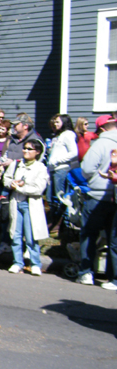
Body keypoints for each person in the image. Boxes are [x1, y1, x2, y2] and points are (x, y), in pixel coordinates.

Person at [77, 114, 117, 289]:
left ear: (101, 128)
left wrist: (94, 178)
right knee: (114, 238)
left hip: (98, 194)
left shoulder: (100, 144)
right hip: (115, 198)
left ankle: (86, 272)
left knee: (89, 234)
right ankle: (113, 277)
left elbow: (86, 168)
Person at [3, 139, 49, 276]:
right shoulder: (17, 164)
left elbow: (39, 189)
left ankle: (35, 264)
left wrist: (21, 188)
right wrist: (12, 183)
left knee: (31, 236)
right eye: (25, 148)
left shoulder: (40, 167)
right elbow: (6, 179)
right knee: (15, 234)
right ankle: (17, 262)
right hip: (16, 203)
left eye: (30, 149)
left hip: (31, 204)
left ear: (38, 152)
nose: (26, 151)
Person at [46, 114, 79, 229]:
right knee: (51, 198)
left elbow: (74, 152)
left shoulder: (68, 135)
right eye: (54, 122)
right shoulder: (59, 136)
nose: (55, 124)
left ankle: (63, 225)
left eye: (58, 122)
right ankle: (54, 222)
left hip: (61, 169)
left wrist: (57, 161)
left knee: (61, 198)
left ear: (65, 122)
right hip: (54, 170)